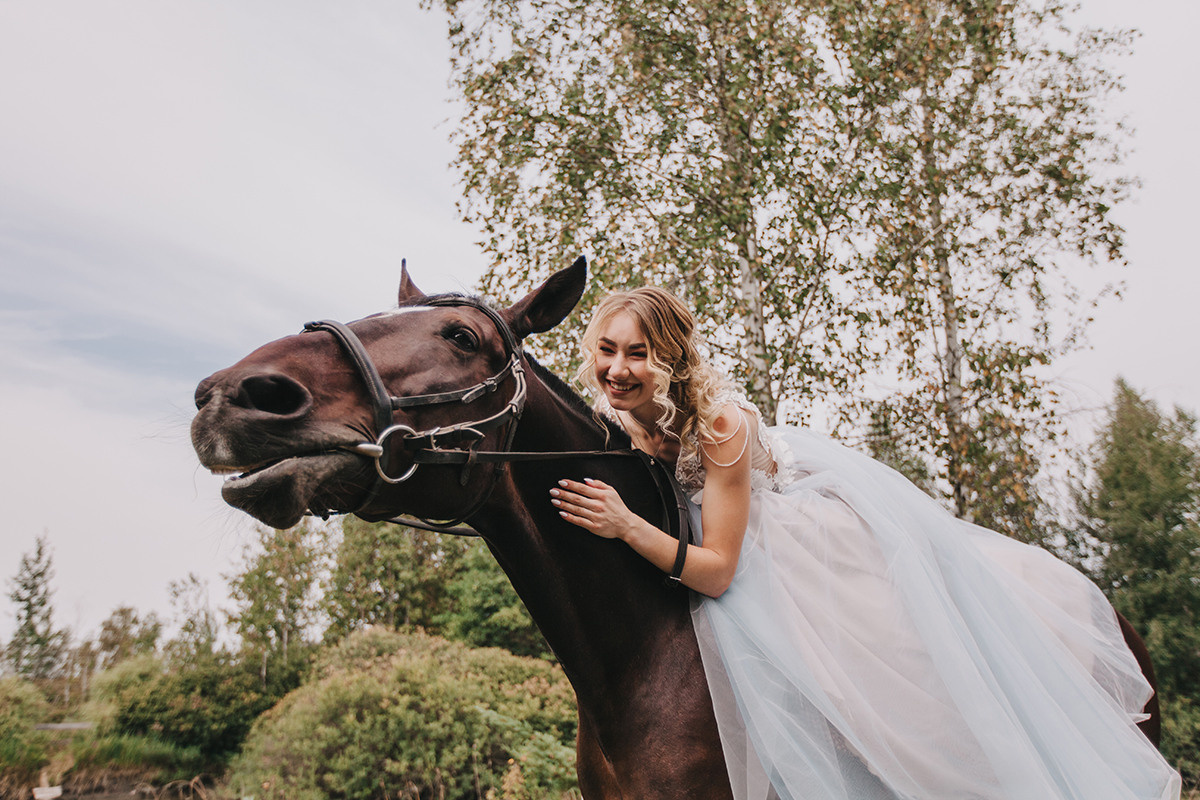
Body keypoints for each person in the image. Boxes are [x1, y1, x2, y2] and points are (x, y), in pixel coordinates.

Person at [549, 286, 1181, 800]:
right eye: (607, 350)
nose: (617, 369)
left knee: (874, 686)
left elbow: (718, 571)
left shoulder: (718, 426)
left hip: (790, 547)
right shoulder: (619, 419)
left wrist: (628, 525)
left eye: (638, 354)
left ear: (672, 359)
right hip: (708, 538)